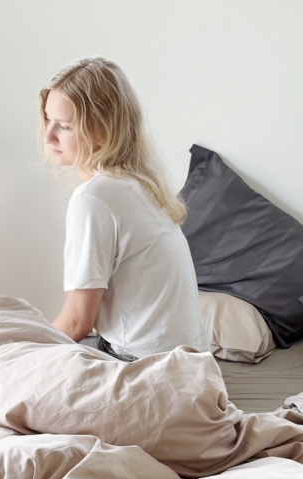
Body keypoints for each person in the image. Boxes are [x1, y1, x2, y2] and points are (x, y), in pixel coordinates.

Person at [41, 57, 209, 360]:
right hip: (189, 365)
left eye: (63, 126)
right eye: (47, 120)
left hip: (145, 369)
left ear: (102, 131)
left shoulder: (94, 199)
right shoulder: (141, 185)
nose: (48, 136)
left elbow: (78, 321)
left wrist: (22, 355)